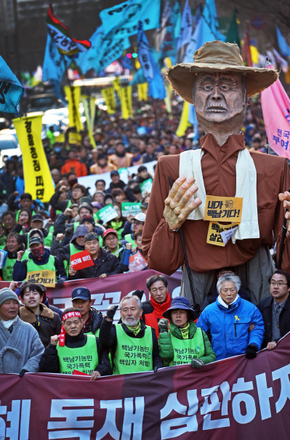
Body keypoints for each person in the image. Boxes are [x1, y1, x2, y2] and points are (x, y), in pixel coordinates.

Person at [142, 40, 290, 306]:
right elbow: (158, 262)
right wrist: (171, 225)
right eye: (206, 87)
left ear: (246, 97)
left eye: (228, 86)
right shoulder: (171, 168)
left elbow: (285, 260)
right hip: (197, 291)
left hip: (259, 287)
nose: (216, 95)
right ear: (194, 97)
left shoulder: (274, 168)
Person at [197, 273, 264, 361]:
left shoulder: (251, 309)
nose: (229, 293)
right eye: (225, 290)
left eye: (232, 290)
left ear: (237, 290)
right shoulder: (209, 311)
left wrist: (253, 345)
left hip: (243, 359)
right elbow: (199, 333)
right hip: (217, 359)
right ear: (219, 291)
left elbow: (258, 328)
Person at [39, 307, 111, 378]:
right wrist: (51, 347)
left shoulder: (95, 341)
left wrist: (99, 371)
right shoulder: (56, 344)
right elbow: (47, 372)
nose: (73, 326)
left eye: (76, 322)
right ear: (63, 325)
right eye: (69, 323)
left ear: (82, 323)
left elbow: (106, 365)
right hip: (66, 388)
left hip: (91, 386)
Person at [99, 295, 163, 374]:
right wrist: (108, 319)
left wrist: (158, 368)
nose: (129, 313)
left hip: (146, 383)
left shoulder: (150, 331)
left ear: (140, 312)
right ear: (121, 313)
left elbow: (156, 357)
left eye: (133, 309)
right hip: (122, 383)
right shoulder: (115, 329)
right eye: (125, 310)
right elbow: (104, 343)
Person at [158, 297, 216, 367]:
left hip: (197, 376)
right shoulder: (166, 335)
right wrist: (164, 333)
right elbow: (166, 358)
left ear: (188, 315)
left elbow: (212, 356)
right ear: (170, 316)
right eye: (174, 313)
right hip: (175, 377)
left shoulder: (201, 333)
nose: (178, 316)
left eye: (182, 312)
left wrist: (202, 360)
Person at [0, 288, 44, 375]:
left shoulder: (29, 330)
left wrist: (28, 369)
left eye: (15, 303)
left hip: (22, 382)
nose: (12, 306)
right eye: (7, 303)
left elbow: (38, 353)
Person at [19, 283, 61, 347]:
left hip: (49, 355)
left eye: (35, 294)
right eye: (27, 294)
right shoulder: (17, 317)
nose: (31, 297)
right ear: (22, 300)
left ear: (41, 298)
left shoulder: (54, 317)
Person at [259, 270, 290, 350]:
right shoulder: (264, 303)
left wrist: (277, 342)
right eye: (273, 283)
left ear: (289, 288)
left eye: (280, 283)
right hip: (269, 351)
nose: (275, 287)